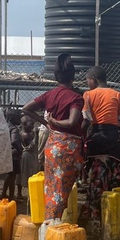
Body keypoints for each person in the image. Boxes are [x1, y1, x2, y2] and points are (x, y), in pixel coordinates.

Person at [22, 54, 84, 221]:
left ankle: (50, 223)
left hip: (52, 145)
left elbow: (26, 108)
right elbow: (72, 121)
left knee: (52, 189)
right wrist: (54, 121)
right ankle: (52, 227)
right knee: (61, 192)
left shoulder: (49, 95)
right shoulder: (76, 98)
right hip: (68, 148)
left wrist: (47, 123)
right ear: (73, 76)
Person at [81, 66, 120, 224]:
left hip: (96, 141)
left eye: (88, 80)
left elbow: (86, 121)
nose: (87, 83)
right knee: (114, 179)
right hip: (113, 142)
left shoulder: (88, 95)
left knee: (95, 180)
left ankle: (95, 216)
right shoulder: (118, 95)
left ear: (93, 80)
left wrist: (81, 142)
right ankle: (112, 217)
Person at [4, 109, 22, 200]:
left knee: (9, 175)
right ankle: (10, 196)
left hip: (7, 153)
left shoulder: (6, 126)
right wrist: (20, 150)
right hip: (14, 155)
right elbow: (14, 141)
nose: (20, 120)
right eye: (18, 118)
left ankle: (5, 193)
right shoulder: (14, 129)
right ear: (12, 119)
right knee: (12, 176)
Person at [19, 115, 40, 196]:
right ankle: (30, 193)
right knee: (29, 173)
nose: (32, 126)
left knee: (24, 174)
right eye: (30, 124)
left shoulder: (22, 132)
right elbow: (33, 145)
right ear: (24, 124)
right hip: (28, 155)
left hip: (27, 155)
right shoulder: (26, 135)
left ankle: (21, 193)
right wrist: (36, 134)